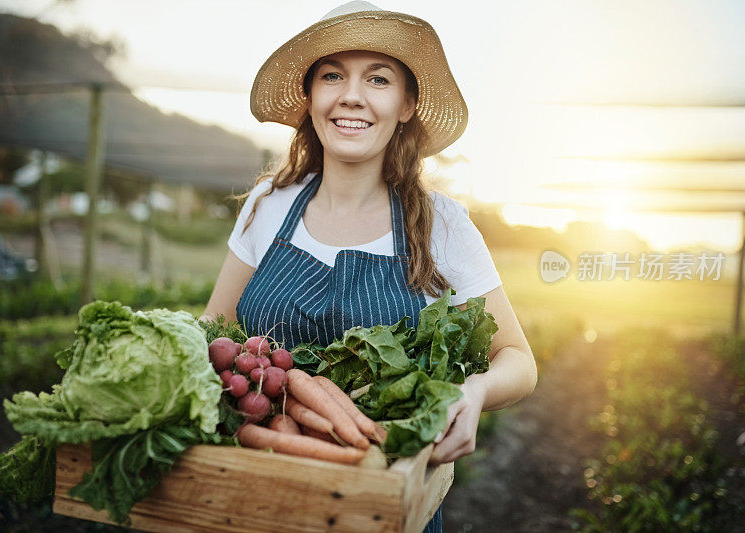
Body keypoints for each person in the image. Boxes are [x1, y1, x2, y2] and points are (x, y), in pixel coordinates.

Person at [200, 2, 537, 531]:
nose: (351, 95)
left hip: (386, 496)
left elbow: (519, 360)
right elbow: (213, 332)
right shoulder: (269, 204)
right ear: (311, 97)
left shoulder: (441, 225)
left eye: (377, 79)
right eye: (333, 75)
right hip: (261, 492)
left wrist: (471, 392)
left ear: (406, 105)